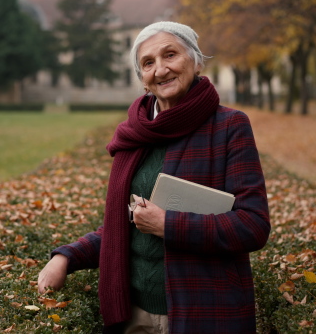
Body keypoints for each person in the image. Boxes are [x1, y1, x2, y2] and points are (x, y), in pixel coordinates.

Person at [38, 21, 271, 334]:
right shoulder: (134, 136)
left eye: (170, 55)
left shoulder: (230, 127)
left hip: (206, 313)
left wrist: (167, 225)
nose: (161, 70)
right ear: (143, 80)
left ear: (197, 61)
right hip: (135, 316)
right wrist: (66, 257)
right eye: (148, 63)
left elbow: (253, 226)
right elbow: (123, 228)